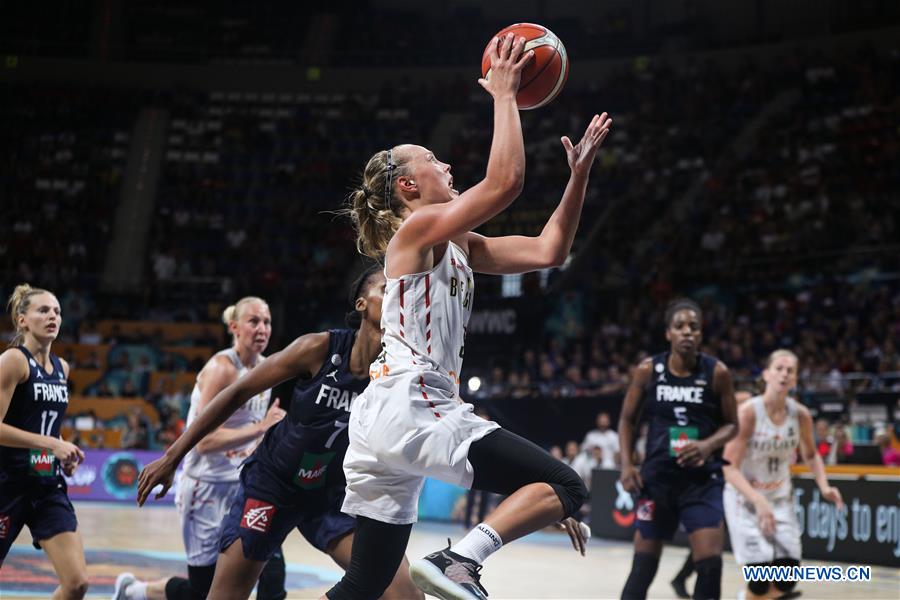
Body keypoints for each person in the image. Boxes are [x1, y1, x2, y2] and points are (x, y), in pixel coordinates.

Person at [326, 32, 611, 600]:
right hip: (413, 402)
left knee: (367, 582)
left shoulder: (460, 244)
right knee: (565, 485)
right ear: (409, 186)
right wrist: (505, 94)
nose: (447, 162)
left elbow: (548, 250)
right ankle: (461, 558)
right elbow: (505, 183)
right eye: (433, 161)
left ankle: (456, 559)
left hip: (388, 414)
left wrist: (577, 178)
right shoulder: (415, 232)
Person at [131, 268, 423, 600]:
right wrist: (172, 457)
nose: (399, 296)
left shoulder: (398, 371)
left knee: (405, 594)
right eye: (387, 289)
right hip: (275, 485)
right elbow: (235, 394)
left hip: (332, 494)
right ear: (360, 304)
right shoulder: (319, 347)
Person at [115, 297, 287, 600]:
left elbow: (254, 430)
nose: (262, 328)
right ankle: (135, 591)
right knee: (203, 592)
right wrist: (262, 428)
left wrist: (261, 442)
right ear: (234, 327)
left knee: (272, 576)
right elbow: (204, 442)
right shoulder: (222, 368)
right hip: (205, 488)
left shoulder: (266, 369)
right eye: (254, 321)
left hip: (244, 487)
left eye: (267, 322)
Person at [618, 298, 738, 600]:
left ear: (701, 334)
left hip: (701, 482)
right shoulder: (648, 370)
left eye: (693, 327)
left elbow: (732, 425)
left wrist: (707, 444)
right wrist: (627, 465)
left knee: (710, 567)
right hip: (656, 480)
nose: (687, 332)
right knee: (643, 568)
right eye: (680, 326)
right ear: (668, 333)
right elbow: (627, 420)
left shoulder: (717, 372)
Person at [723, 349, 844, 600]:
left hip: (779, 496)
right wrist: (758, 501)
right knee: (759, 580)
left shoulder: (800, 415)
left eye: (790, 371)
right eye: (779, 368)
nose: (784, 374)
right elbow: (728, 466)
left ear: (796, 380)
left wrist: (824, 486)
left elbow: (811, 455)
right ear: (766, 374)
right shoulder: (748, 413)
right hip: (745, 499)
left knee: (786, 579)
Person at [0, 284, 88, 598]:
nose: (52, 316)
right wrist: (51, 444)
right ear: (22, 320)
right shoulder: (13, 360)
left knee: (77, 583)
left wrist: (62, 450)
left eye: (57, 311)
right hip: (7, 482)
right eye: (43, 310)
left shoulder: (62, 368)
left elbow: (46, 427)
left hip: (44, 479)